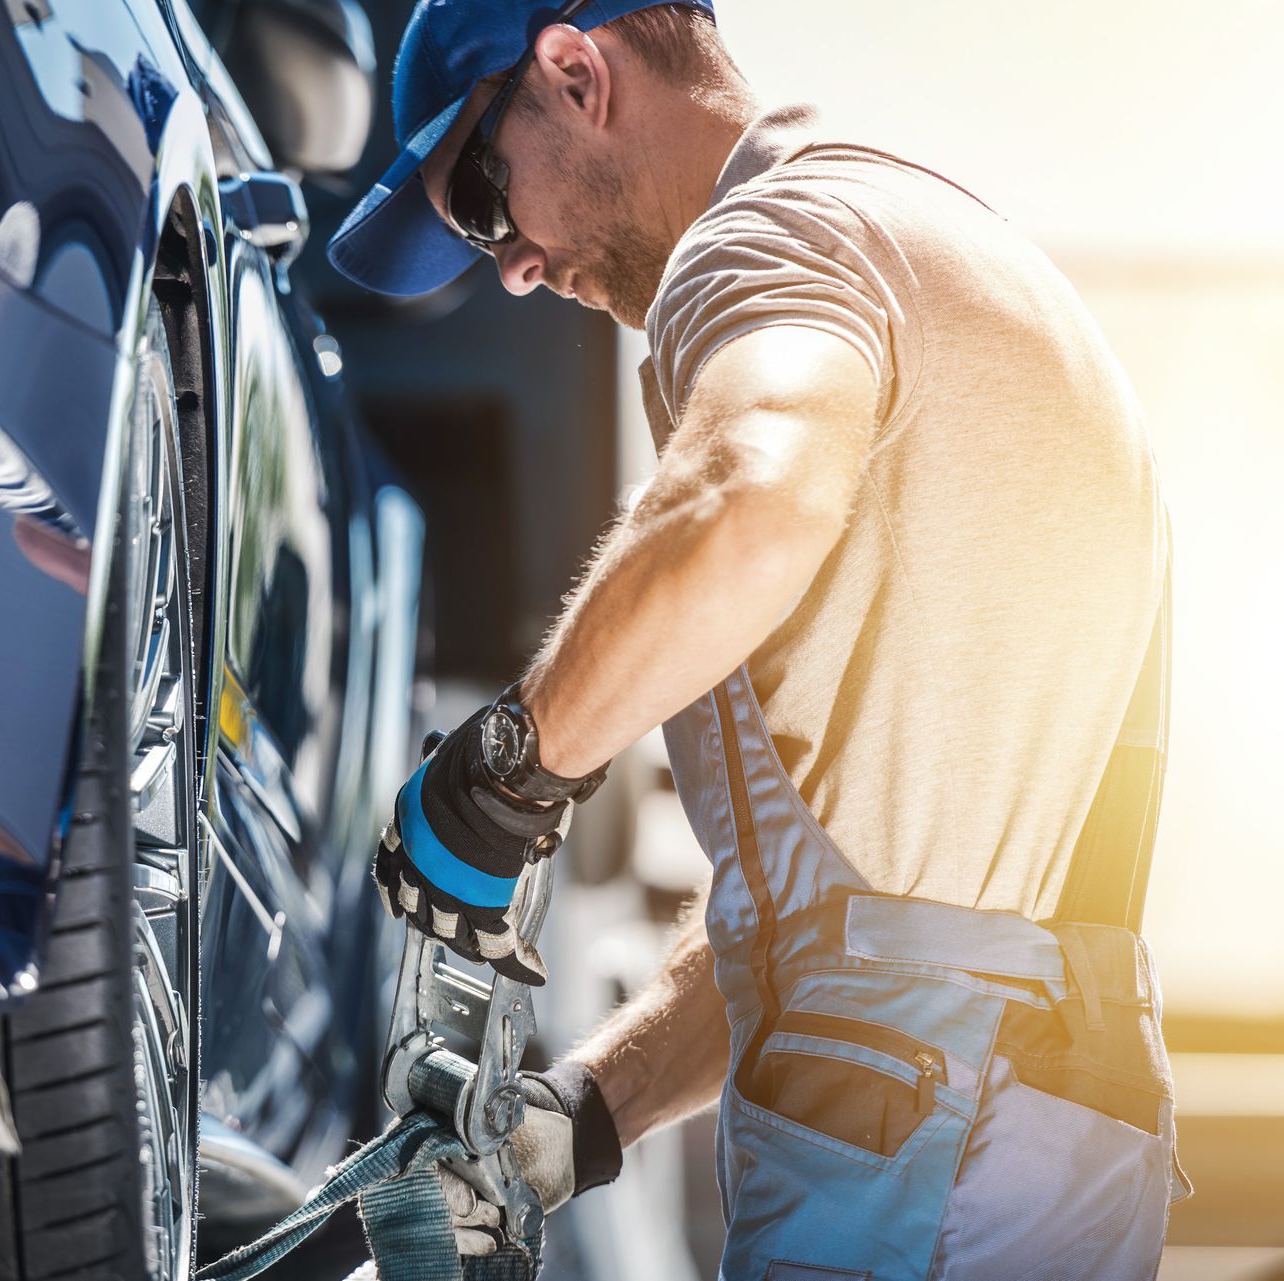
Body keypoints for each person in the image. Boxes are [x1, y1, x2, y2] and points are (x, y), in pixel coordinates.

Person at [328, 1, 1187, 1276]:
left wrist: (504, 775)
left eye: (482, 197)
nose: (507, 265)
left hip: (909, 1143)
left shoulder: (765, 240)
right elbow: (868, 925)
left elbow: (749, 498)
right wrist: (586, 1116)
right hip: (1056, 1133)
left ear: (574, 74)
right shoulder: (941, 254)